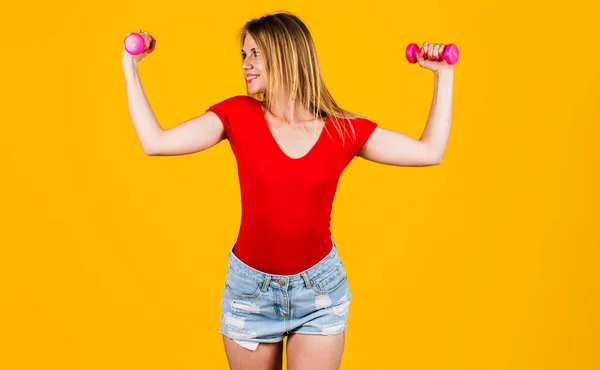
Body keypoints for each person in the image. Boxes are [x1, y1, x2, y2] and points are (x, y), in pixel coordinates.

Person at [122, 11, 454, 370]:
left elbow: (429, 152)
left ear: (285, 53)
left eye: (255, 54)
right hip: (250, 294)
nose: (246, 65)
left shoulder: (342, 130)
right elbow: (155, 142)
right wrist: (131, 67)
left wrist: (443, 75)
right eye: (243, 56)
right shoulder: (236, 115)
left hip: (319, 293)